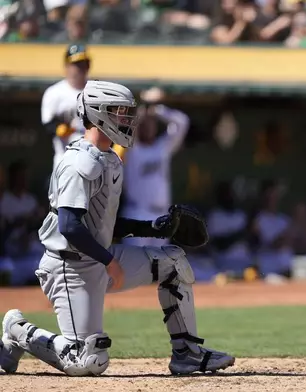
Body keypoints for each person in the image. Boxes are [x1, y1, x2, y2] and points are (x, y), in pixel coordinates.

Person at [0, 81, 234, 376]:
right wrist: (110, 261)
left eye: (127, 112)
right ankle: (19, 330)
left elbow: (102, 225)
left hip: (99, 258)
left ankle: (187, 354)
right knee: (87, 361)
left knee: (173, 262)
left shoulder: (110, 158)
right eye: (119, 112)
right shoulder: (79, 162)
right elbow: (70, 226)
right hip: (69, 268)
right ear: (98, 114)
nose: (127, 119)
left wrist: (151, 227)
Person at [119, 87, 189, 248]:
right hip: (137, 213)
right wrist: (143, 111)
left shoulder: (162, 147)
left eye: (152, 124)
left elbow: (182, 122)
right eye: (145, 124)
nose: (149, 127)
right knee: (134, 264)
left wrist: (157, 110)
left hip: (161, 215)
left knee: (159, 267)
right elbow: (126, 130)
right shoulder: (132, 148)